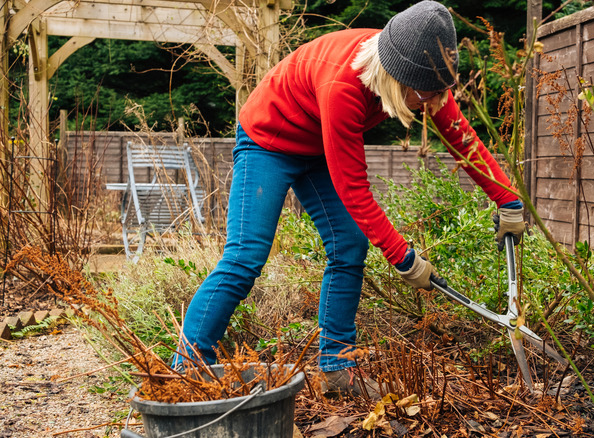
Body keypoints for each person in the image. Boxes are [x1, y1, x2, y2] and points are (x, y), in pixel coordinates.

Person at [174, 0, 526, 398]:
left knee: (349, 246)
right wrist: (403, 258)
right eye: (428, 93)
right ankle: (186, 372)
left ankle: (337, 368)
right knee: (245, 256)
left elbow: (460, 135)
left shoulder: (423, 75)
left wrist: (507, 199)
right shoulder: (343, 86)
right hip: (268, 140)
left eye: (441, 90)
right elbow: (354, 190)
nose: (434, 102)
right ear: (399, 79)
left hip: (317, 145)